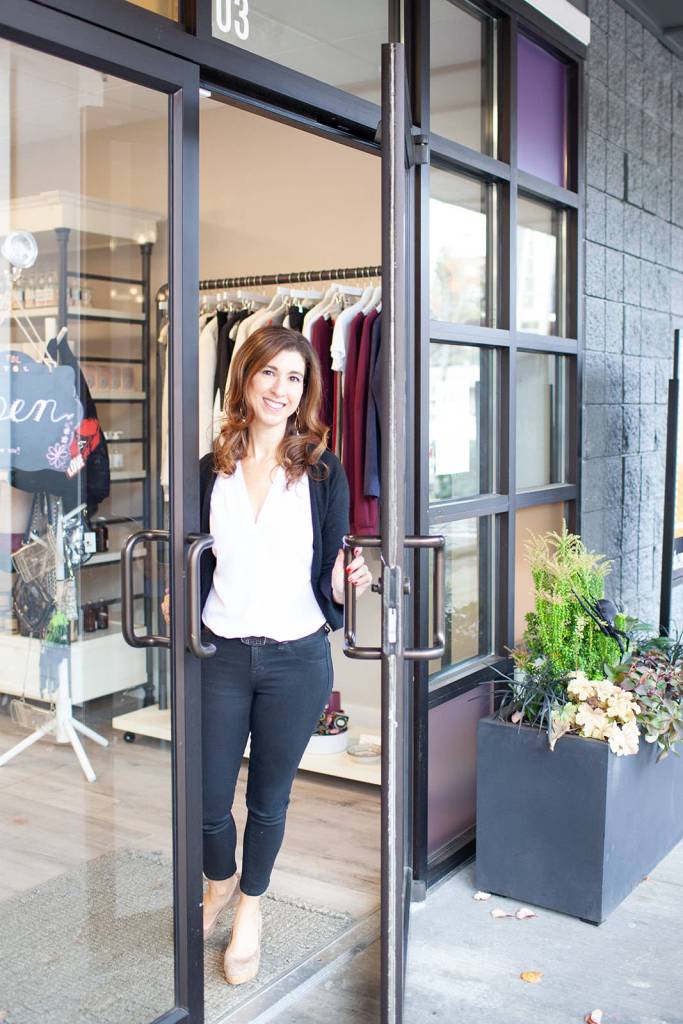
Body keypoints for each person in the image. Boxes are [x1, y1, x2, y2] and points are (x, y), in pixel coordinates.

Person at [186, 325, 372, 986]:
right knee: (206, 799)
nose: (279, 388)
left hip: (296, 658)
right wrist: (169, 601)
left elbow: (333, 559)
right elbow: (188, 554)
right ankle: (219, 881)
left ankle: (251, 912)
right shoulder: (210, 467)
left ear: (304, 391)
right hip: (220, 655)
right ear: (245, 378)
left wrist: (348, 578)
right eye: (269, 373)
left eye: (293, 378)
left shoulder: (322, 469)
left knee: (268, 800)